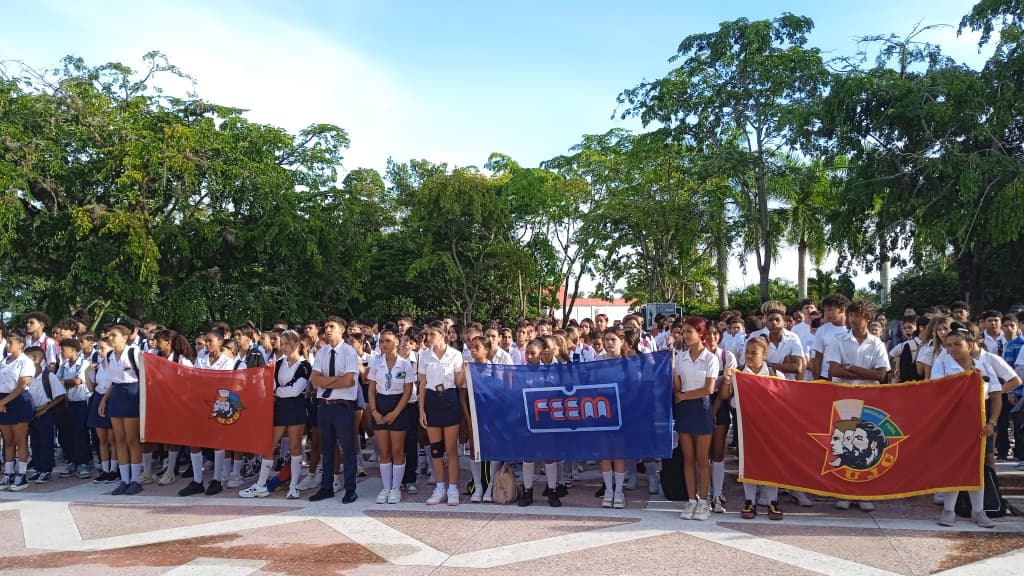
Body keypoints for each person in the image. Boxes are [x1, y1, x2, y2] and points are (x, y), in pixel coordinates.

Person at [932, 322, 1002, 528]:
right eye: (949, 345)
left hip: (980, 425)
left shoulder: (984, 366)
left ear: (970, 345)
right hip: (952, 424)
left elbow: (996, 397)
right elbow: (936, 391)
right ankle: (948, 509)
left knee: (977, 468)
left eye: (956, 344)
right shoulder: (943, 364)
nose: (951, 349)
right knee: (953, 466)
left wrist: (992, 423)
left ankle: (978, 510)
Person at [823, 300, 890, 512]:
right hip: (843, 398)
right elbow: (833, 370)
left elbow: (881, 374)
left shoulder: (877, 343)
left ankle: (863, 492)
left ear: (867, 318)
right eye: (850, 315)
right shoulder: (838, 339)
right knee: (845, 443)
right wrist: (862, 372)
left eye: (857, 315)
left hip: (869, 399)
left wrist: (851, 367)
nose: (852, 319)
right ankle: (844, 491)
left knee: (865, 444)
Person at [239, 330, 311, 500]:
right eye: (282, 343)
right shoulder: (277, 364)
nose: (283, 347)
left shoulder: (305, 365)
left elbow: (296, 390)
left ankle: (293, 485)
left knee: (295, 447)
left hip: (296, 409)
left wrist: (277, 392)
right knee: (269, 446)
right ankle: (261, 484)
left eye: (287, 343)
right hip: (279, 409)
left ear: (295, 344)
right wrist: (277, 392)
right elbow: (269, 386)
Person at [309, 316, 361, 504]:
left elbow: (349, 381)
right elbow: (315, 380)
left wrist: (326, 380)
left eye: (332, 327)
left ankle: (350, 488)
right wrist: (334, 379)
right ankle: (326, 487)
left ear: (341, 330)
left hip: (343, 406)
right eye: (326, 327)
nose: (328, 330)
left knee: (347, 449)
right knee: (327, 448)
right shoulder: (322, 353)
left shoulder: (349, 352)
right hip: (324, 406)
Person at [732, 337, 784, 520]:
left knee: (771, 462)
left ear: (764, 354)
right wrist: (726, 381)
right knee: (748, 462)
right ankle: (749, 500)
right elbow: (727, 397)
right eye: (747, 351)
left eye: (754, 352)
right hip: (746, 424)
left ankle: (772, 501)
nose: (749, 356)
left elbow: (784, 401)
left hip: (769, 425)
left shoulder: (774, 374)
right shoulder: (738, 372)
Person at [674, 317, 720, 521]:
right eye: (683, 332)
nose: (685, 335)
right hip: (684, 409)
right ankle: (691, 500)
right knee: (688, 458)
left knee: (703, 459)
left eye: (689, 331)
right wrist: (671, 367)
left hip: (701, 408)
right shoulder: (680, 357)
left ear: (700, 333)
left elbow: (708, 389)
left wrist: (684, 396)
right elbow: (677, 386)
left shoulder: (710, 358)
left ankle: (704, 502)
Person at [419, 320, 466, 506]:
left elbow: (459, 382)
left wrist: (465, 370)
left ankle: (453, 488)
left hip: (449, 399)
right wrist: (421, 409)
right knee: (436, 449)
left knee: (451, 448)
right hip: (431, 400)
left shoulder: (455, 355)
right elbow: (422, 383)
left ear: (443, 335)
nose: (429, 338)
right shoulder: (425, 356)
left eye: (432, 334)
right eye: (428, 334)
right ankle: (440, 487)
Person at [366, 328, 415, 505]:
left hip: (398, 407)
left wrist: (396, 412)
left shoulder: (405, 364)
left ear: (396, 342)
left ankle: (395, 488)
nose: (384, 344)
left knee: (397, 450)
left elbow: (407, 391)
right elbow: (371, 389)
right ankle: (386, 487)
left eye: (388, 341)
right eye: (382, 341)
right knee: (384, 451)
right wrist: (374, 411)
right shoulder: (377, 363)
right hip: (380, 405)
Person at [98, 324, 146, 495]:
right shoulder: (109, 355)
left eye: (114, 335)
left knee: (132, 439)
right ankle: (124, 480)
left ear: (124, 337)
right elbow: (113, 381)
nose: (110, 338)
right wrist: (105, 398)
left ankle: (135, 480)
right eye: (109, 335)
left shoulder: (134, 353)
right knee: (119, 440)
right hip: (117, 394)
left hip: (132, 393)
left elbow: (145, 377)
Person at [705, 322, 736, 513]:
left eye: (715, 334)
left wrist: (713, 411)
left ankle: (717, 492)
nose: (711, 337)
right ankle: (706, 490)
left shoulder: (727, 356)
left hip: (720, 402)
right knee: (703, 452)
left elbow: (725, 391)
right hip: (700, 400)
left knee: (718, 451)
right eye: (707, 334)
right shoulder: (697, 356)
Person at [25, 345, 65, 486]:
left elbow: (60, 396)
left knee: (46, 442)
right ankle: (38, 467)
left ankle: (46, 470)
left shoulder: (48, 376)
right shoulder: (26, 377)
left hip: (45, 412)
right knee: (34, 442)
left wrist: (45, 409)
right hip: (31, 413)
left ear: (36, 359)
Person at [0, 333, 35, 491]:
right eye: (8, 343)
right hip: (3, 400)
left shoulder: (25, 361)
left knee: (20, 439)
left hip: (18, 400)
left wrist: (4, 402)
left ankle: (21, 475)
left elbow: (22, 385)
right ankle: (8, 473)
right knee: (8, 440)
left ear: (20, 345)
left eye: (11, 343)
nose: (8, 346)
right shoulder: (3, 361)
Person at [56, 338, 92, 480]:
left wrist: (64, 382)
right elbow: (56, 381)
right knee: (66, 434)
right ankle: (72, 461)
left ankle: (83, 463)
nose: (61, 352)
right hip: (66, 403)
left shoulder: (84, 364)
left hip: (80, 403)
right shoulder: (64, 365)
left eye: (63, 349)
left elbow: (78, 381)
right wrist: (67, 382)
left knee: (80, 434)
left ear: (72, 350)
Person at [86, 333, 117, 483]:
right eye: (98, 348)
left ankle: (114, 469)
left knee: (113, 439)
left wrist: (105, 399)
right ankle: (105, 470)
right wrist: (87, 373)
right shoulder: (98, 366)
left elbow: (113, 384)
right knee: (102, 439)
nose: (99, 351)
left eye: (102, 348)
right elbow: (92, 388)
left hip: (110, 399)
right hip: (98, 398)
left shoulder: (114, 365)